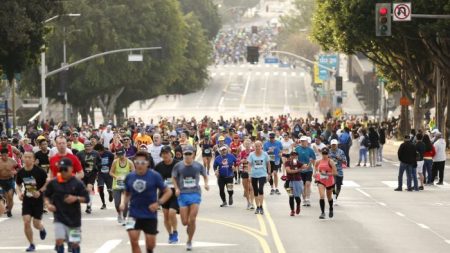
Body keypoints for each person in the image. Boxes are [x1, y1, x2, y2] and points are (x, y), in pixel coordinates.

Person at [120, 151, 172, 253]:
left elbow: (168, 191)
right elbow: (126, 193)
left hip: (149, 214)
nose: (140, 165)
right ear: (134, 162)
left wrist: (158, 203)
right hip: (133, 213)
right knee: (133, 241)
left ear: (148, 163)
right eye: (137, 162)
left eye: (143, 163)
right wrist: (123, 203)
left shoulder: (155, 176)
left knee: (151, 244)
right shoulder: (130, 176)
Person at [44, 158, 90, 253]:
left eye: (65, 169)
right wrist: (48, 204)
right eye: (61, 169)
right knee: (59, 240)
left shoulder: (77, 183)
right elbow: (46, 195)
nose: (63, 172)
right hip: (59, 218)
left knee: (75, 243)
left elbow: (87, 198)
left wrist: (76, 198)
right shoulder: (54, 182)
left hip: (74, 220)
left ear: (71, 169)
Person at [172, 145, 209, 251]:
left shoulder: (198, 166)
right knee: (184, 222)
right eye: (186, 154)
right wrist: (177, 189)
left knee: (192, 219)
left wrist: (206, 184)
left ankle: (189, 241)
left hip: (195, 193)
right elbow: (174, 177)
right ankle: (189, 226)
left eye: (189, 154)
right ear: (183, 155)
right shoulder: (178, 166)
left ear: (193, 155)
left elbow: (205, 175)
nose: (187, 156)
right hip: (183, 194)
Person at [15, 152, 48, 252]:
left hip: (38, 200)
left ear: (34, 160)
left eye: (30, 157)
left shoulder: (40, 171)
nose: (27, 159)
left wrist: (40, 191)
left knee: (36, 224)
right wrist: (19, 193)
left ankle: (41, 228)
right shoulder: (21, 172)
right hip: (27, 200)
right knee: (26, 222)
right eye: (25, 157)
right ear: (23, 159)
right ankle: (31, 244)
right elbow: (18, 185)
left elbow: (47, 182)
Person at [154, 146, 180, 244]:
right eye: (163, 153)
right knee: (166, 216)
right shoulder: (158, 166)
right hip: (163, 194)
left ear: (171, 153)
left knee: (172, 213)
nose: (165, 155)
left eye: (167, 153)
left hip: (175, 193)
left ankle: (175, 231)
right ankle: (170, 234)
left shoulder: (177, 164)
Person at [110, 148, 135, 224]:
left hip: (126, 186)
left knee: (125, 203)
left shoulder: (130, 162)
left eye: (122, 154)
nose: (121, 156)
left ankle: (124, 218)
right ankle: (119, 214)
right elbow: (110, 172)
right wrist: (116, 177)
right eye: (119, 155)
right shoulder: (115, 162)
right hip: (116, 185)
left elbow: (134, 173)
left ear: (125, 154)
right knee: (117, 203)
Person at [76, 141, 101, 213]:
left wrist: (97, 168)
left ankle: (89, 205)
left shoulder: (96, 153)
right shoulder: (79, 153)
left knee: (89, 188)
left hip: (92, 173)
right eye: (86, 146)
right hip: (83, 173)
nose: (88, 148)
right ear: (84, 147)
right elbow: (76, 163)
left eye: (89, 146)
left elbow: (100, 162)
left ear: (92, 146)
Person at [248, 141, 270, 215]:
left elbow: (268, 163)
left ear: (261, 146)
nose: (257, 147)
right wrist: (249, 174)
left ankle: (261, 206)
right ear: (254, 147)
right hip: (254, 174)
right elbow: (249, 165)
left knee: (260, 189)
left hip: (262, 174)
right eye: (256, 146)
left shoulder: (265, 154)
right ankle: (257, 207)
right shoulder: (251, 154)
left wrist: (269, 174)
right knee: (255, 190)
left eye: (259, 146)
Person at [314, 148, 337, 219]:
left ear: (328, 154)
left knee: (329, 197)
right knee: (322, 196)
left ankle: (331, 208)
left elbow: (335, 173)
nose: (324, 155)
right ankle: (322, 213)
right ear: (321, 154)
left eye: (326, 154)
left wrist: (326, 174)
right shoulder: (318, 161)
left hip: (329, 181)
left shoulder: (331, 161)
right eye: (323, 154)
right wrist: (315, 174)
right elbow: (315, 167)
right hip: (321, 180)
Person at [295, 136, 316, 207]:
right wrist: (295, 166)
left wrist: (315, 170)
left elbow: (313, 159)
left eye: (304, 141)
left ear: (307, 142)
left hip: (308, 169)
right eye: (301, 141)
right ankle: (304, 199)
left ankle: (308, 199)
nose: (303, 142)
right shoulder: (297, 149)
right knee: (302, 186)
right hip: (300, 170)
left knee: (307, 184)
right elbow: (294, 158)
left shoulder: (310, 150)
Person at [284, 151, 307, 216]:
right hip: (289, 181)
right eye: (292, 155)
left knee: (297, 197)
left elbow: (306, 167)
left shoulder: (298, 163)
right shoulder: (287, 163)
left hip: (297, 181)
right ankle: (292, 210)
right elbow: (289, 171)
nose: (294, 156)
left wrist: (308, 163)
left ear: (297, 156)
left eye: (295, 155)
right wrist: (299, 170)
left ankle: (298, 205)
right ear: (290, 156)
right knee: (291, 196)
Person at [94, 144, 115, 209]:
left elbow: (113, 158)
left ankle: (110, 194)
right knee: (100, 188)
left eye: (99, 151)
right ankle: (103, 203)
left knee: (109, 189)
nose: (98, 153)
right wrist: (98, 166)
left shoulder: (108, 153)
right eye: (97, 152)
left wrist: (110, 165)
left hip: (108, 174)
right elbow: (95, 163)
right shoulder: (96, 155)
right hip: (101, 174)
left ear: (102, 150)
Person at [0, 148, 18, 217]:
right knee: (4, 197)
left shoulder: (12, 161)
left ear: (8, 154)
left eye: (5, 155)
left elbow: (18, 168)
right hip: (1, 181)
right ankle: (4, 208)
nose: (4, 157)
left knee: (10, 197)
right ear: (1, 155)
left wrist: (15, 172)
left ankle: (9, 210)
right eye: (3, 155)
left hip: (10, 180)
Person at [238, 139, 254, 210]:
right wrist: (242, 161)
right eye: (246, 144)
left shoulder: (253, 152)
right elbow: (238, 161)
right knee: (246, 188)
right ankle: (248, 202)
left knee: (251, 188)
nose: (247, 145)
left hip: (252, 172)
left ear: (251, 144)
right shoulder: (242, 153)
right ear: (244, 145)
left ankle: (252, 203)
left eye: (248, 144)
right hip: (244, 171)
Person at [329, 139, 347, 204]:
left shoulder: (341, 152)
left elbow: (345, 161)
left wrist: (339, 158)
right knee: (332, 184)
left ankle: (336, 197)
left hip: (339, 170)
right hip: (331, 170)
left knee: (338, 185)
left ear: (337, 145)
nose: (333, 146)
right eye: (332, 145)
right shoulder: (328, 152)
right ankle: (334, 197)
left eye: (335, 145)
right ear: (331, 145)